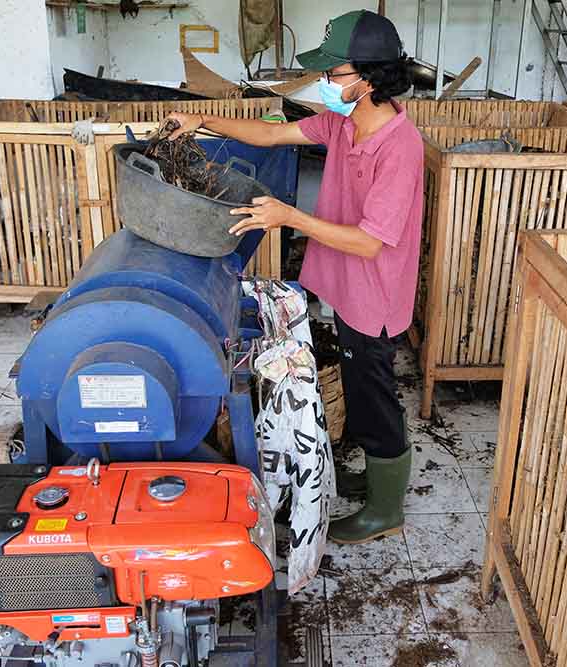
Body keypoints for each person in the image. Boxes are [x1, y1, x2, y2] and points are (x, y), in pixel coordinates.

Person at [166, 9, 423, 545]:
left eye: (334, 74)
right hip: (347, 284)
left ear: (369, 79)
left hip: (374, 293)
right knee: (356, 382)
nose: (326, 83)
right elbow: (267, 133)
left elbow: (372, 241)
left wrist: (288, 216)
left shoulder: (399, 146)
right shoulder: (344, 122)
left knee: (375, 393)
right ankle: (373, 472)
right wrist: (202, 122)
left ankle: (386, 507)